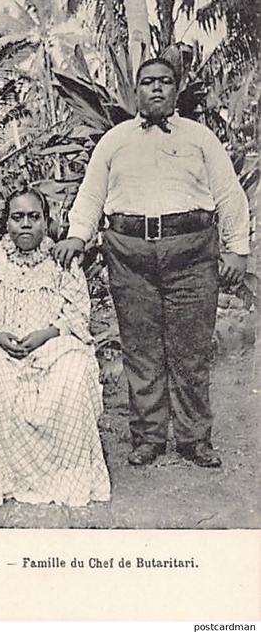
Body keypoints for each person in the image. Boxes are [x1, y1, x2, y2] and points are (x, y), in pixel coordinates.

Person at [54, 58, 249, 468]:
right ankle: (148, 437)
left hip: (192, 252)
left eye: (164, 82)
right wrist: (77, 235)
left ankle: (195, 438)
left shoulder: (200, 137)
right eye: (147, 82)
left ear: (175, 90)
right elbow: (91, 195)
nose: (155, 89)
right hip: (130, 253)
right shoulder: (115, 140)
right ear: (136, 91)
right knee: (141, 349)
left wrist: (236, 250)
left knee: (191, 350)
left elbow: (230, 195)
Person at [0, 187, 110, 506]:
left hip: (52, 346)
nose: (25, 225)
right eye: (18, 217)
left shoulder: (61, 259)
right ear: (7, 223)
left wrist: (47, 334)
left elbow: (78, 312)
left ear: (45, 222)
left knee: (73, 374)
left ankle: (66, 476)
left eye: (33, 217)